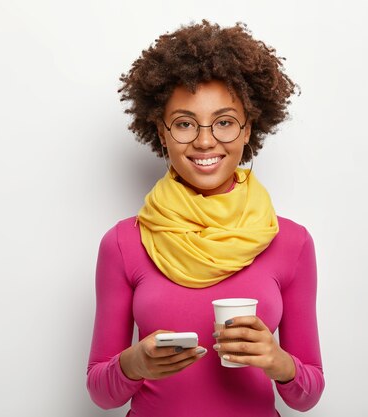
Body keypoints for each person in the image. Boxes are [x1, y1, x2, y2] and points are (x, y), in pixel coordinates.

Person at [86, 20, 324, 416]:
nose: (204, 140)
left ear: (248, 129)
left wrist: (277, 361)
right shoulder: (124, 242)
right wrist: (134, 365)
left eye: (225, 122)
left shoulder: (291, 242)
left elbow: (308, 395)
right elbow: (100, 391)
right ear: (161, 132)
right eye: (184, 123)